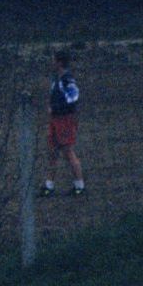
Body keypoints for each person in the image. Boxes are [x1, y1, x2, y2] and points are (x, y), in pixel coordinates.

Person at [44, 51, 84, 195]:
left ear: (59, 62)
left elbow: (74, 97)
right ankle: (49, 186)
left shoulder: (66, 80)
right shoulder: (57, 79)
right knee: (53, 152)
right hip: (56, 119)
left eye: (53, 60)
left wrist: (56, 108)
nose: (52, 63)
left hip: (64, 119)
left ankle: (79, 186)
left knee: (68, 152)